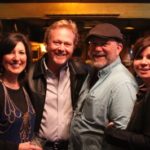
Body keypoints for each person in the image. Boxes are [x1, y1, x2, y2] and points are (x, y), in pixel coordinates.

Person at [69, 23, 138, 150]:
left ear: (119, 48)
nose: (97, 49)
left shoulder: (123, 83)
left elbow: (121, 136)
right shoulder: (93, 72)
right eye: (93, 44)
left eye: (104, 44)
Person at [26, 19, 90, 150]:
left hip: (71, 146)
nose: (62, 48)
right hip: (39, 147)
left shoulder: (83, 73)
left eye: (67, 44)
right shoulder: (28, 75)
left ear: (74, 47)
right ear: (47, 44)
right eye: (57, 42)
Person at [105, 35, 150, 150]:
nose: (144, 62)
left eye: (149, 57)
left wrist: (111, 133)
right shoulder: (143, 89)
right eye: (139, 57)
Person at [0, 32, 42, 150]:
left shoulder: (26, 87)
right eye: (10, 52)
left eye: (21, 53)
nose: (17, 58)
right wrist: (16, 147)